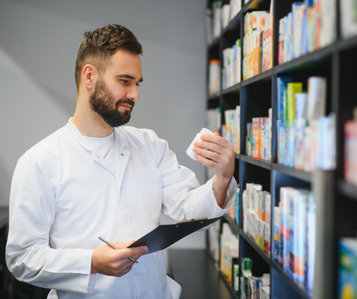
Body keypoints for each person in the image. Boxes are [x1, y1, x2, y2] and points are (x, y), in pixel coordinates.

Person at [6, 24, 236, 299]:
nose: (135, 95)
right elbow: (23, 258)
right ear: (89, 76)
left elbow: (189, 210)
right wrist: (92, 262)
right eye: (125, 81)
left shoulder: (149, 146)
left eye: (136, 84)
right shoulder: (39, 162)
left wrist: (222, 178)